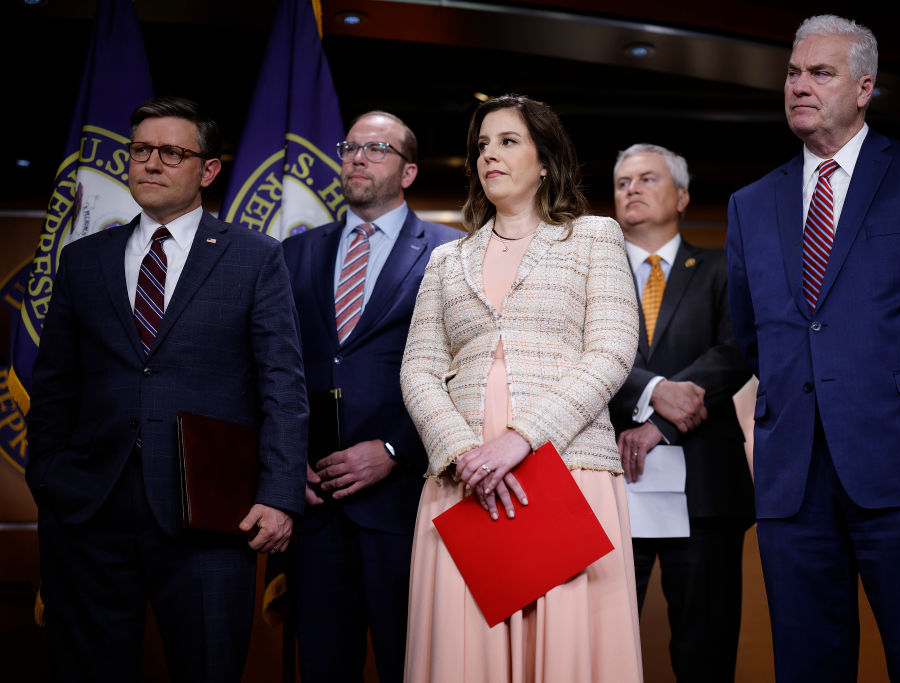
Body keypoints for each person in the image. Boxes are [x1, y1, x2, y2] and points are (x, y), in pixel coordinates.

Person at [726, 15, 900, 683]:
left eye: (819, 73)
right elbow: (752, 333)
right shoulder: (749, 203)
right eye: (793, 73)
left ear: (864, 88)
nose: (800, 85)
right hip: (794, 476)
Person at [26, 96, 308, 682]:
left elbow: (282, 384)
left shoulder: (254, 258)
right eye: (141, 151)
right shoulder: (82, 260)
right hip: (89, 510)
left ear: (208, 170)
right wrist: (49, 476)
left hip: (205, 512)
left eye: (172, 153)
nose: (151, 164)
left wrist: (279, 494)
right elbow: (54, 383)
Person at [400, 94, 643, 682]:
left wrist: (519, 439)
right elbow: (418, 369)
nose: (490, 155)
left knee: (565, 651)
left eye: (508, 141)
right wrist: (463, 455)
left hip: (563, 466)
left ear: (544, 161)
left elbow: (611, 352)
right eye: (482, 144)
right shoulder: (445, 259)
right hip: (465, 482)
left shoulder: (594, 237)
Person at [282, 110, 461, 683]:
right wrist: (286, 462)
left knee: (407, 663)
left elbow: (466, 370)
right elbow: (275, 368)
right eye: (350, 147)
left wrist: (393, 449)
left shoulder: (450, 252)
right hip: (313, 504)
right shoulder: (296, 253)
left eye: (376, 149)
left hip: (407, 500)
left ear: (408, 172)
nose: (357, 157)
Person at [609, 143, 753, 682]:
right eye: (622, 182)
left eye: (647, 178)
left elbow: (738, 349)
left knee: (706, 653)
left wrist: (661, 422)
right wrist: (652, 390)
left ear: (682, 196)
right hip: (608, 487)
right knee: (599, 651)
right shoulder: (589, 278)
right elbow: (576, 358)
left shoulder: (720, 269)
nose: (632, 189)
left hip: (706, 492)